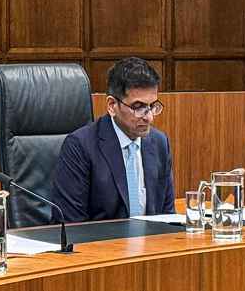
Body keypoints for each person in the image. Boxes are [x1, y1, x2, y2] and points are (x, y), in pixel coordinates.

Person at [52, 57, 175, 222]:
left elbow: (167, 216)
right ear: (112, 105)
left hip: (152, 245)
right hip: (101, 245)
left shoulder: (159, 143)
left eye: (152, 106)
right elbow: (71, 224)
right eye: (138, 107)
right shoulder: (80, 146)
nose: (149, 117)